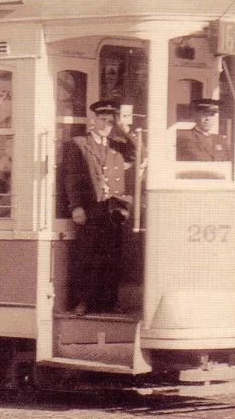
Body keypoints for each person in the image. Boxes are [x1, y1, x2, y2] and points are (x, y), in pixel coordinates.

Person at [64, 99, 136, 316]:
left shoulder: (116, 145)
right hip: (91, 209)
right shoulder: (79, 144)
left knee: (112, 258)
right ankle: (83, 302)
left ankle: (109, 303)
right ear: (92, 120)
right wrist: (76, 206)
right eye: (102, 120)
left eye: (110, 121)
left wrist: (124, 130)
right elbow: (71, 178)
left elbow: (139, 151)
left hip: (114, 210)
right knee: (88, 257)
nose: (106, 124)